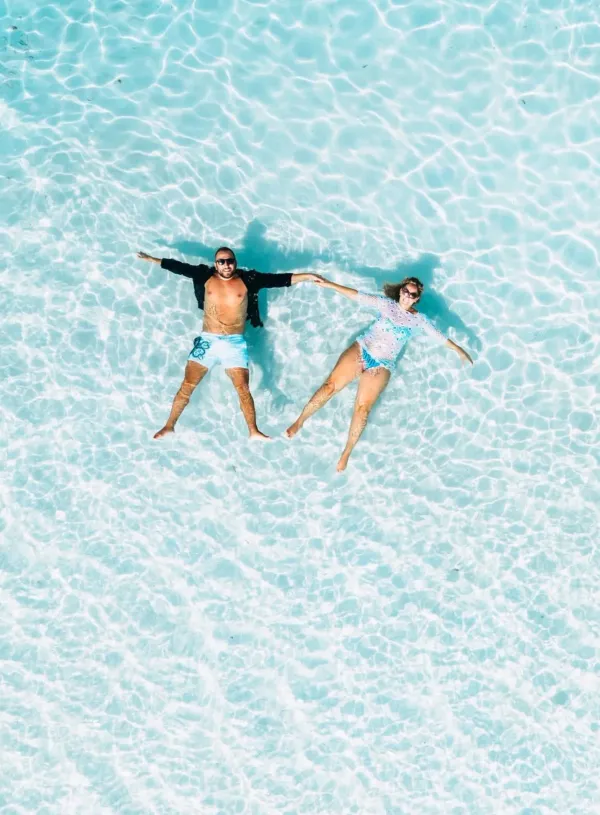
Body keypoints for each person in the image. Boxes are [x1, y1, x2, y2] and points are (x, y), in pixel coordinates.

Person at [286, 276, 473, 471]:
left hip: (382, 364)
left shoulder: (419, 320)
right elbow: (356, 295)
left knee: (362, 409)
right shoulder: (386, 305)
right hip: (362, 349)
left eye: (412, 295)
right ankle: (300, 421)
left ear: (417, 299)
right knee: (330, 386)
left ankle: (346, 452)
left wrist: (460, 351)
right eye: (405, 292)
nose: (407, 296)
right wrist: (329, 284)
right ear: (400, 291)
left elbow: (439, 336)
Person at [137, 247, 322, 440]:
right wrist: (153, 259)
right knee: (188, 384)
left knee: (243, 389)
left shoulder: (249, 280)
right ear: (215, 264)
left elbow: (279, 280)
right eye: (221, 261)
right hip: (208, 340)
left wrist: (308, 276)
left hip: (234, 343)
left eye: (230, 261)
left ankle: (253, 430)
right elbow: (179, 267)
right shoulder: (204, 275)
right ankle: (169, 425)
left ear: (235, 261)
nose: (226, 265)